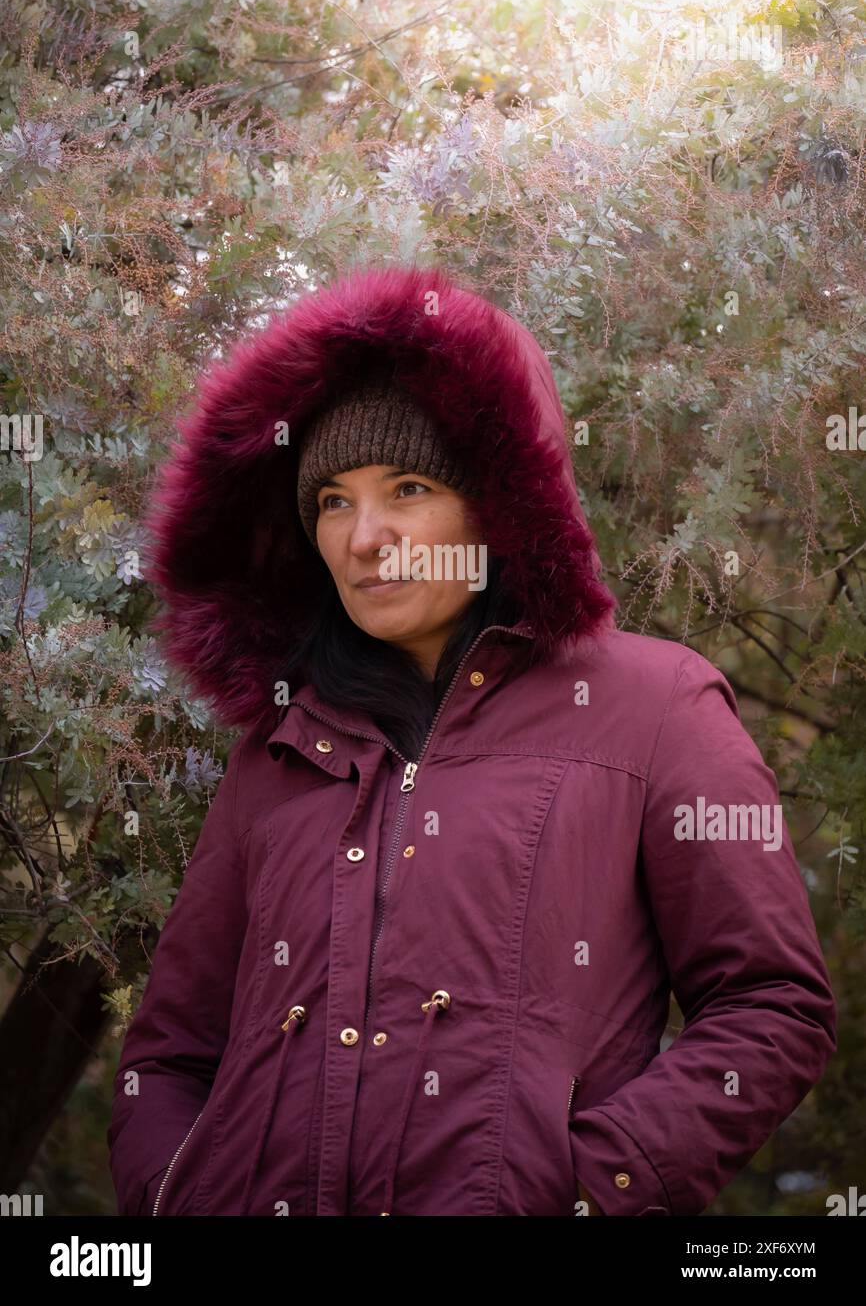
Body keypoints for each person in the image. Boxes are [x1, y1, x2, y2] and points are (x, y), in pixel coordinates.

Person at [107, 263, 836, 1217]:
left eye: (407, 488)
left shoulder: (658, 706)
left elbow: (770, 1007)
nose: (365, 536)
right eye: (332, 499)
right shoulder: (280, 747)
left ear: (495, 509)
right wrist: (175, 1201)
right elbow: (167, 1055)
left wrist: (585, 1194)